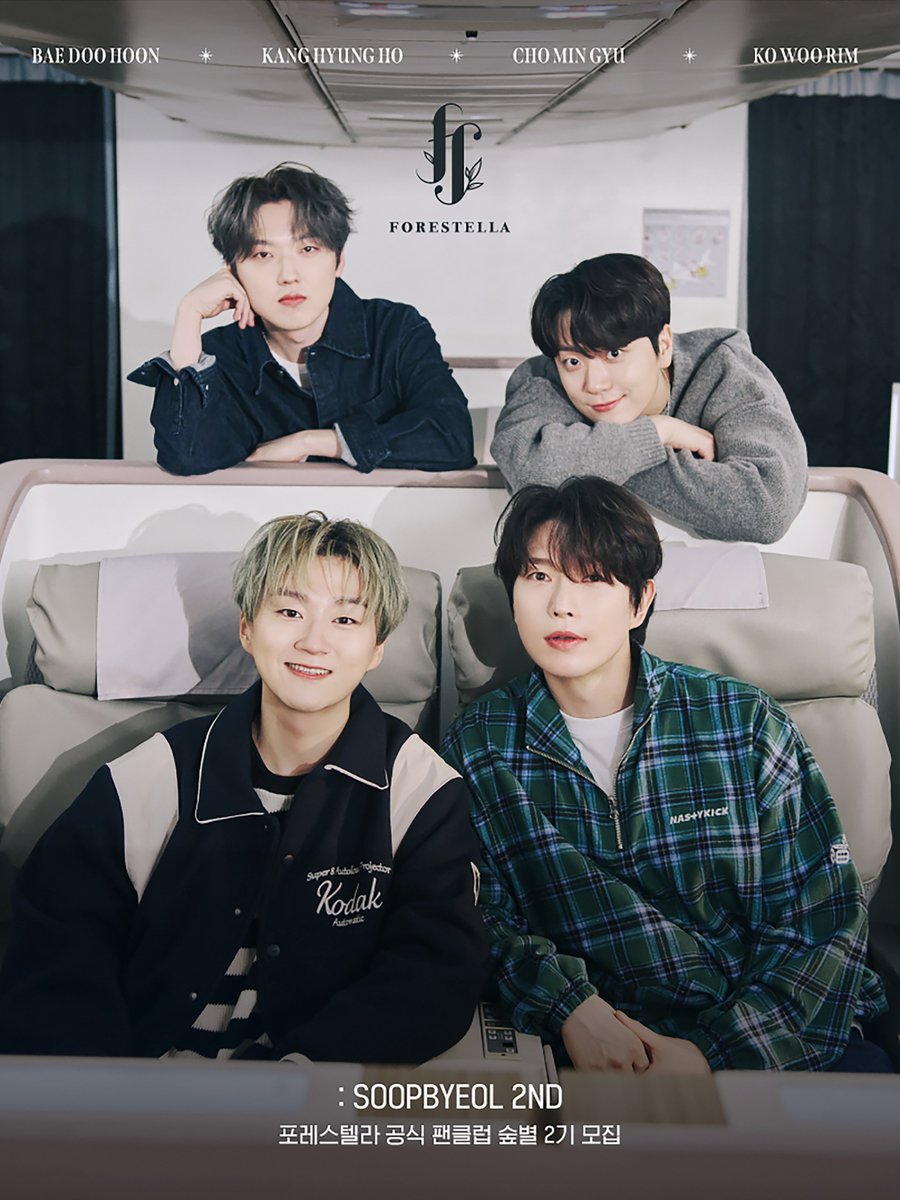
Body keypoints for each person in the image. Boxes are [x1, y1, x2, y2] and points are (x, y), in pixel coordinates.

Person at [441, 477, 891, 1073]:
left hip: (774, 1035)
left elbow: (823, 914)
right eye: (538, 575)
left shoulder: (741, 720)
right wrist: (572, 1009)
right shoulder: (480, 746)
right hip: (595, 1043)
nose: (561, 604)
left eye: (592, 578)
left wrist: (715, 1054)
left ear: (640, 601)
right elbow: (479, 917)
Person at [0, 513, 486, 1062]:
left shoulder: (423, 791)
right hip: (141, 1089)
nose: (314, 642)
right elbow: (57, 945)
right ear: (247, 629)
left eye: (346, 619)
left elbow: (435, 972)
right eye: (289, 611)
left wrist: (296, 1080)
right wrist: (113, 1092)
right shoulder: (151, 776)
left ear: (377, 648)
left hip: (312, 1096)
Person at [129, 164, 475, 476]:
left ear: (338, 261)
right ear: (231, 271)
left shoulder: (394, 329)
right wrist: (188, 315)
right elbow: (188, 458)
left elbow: (452, 438)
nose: (288, 275)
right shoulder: (222, 355)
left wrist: (311, 442)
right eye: (263, 254)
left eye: (308, 249)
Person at [491, 254, 807, 543]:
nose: (595, 384)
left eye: (614, 354)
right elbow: (529, 472)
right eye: (573, 361)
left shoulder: (726, 370)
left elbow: (766, 510)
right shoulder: (542, 379)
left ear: (663, 345)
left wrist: (583, 459)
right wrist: (657, 433)